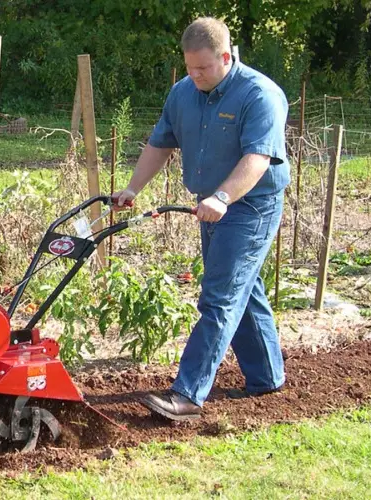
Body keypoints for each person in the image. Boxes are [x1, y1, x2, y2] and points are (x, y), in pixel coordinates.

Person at [111, 17, 290, 421]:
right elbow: (160, 143)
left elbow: (258, 158)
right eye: (190, 67)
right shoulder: (183, 93)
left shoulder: (259, 95)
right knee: (243, 289)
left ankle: (188, 394)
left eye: (203, 68)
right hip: (212, 205)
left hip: (250, 206)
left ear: (226, 57)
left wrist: (224, 197)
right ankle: (266, 376)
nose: (195, 75)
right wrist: (132, 189)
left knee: (220, 297)